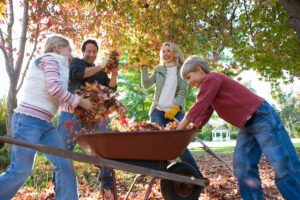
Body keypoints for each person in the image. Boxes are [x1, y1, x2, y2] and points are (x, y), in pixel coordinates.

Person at [177, 55, 300, 200]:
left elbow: (200, 105)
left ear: (199, 70)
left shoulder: (211, 78)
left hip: (261, 117)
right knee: (243, 165)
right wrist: (193, 128)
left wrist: (179, 128)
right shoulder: (209, 88)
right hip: (247, 126)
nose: (189, 83)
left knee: (282, 162)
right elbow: (204, 112)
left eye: (189, 77)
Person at [0, 36, 95, 200]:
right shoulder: (51, 58)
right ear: (58, 48)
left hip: (45, 123)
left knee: (64, 163)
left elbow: (54, 99)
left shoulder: (59, 65)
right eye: (69, 50)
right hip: (28, 120)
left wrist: (78, 108)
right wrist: (79, 101)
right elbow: (53, 88)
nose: (71, 55)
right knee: (21, 170)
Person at [56, 39, 119, 199]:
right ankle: (59, 188)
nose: (91, 54)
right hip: (72, 112)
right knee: (62, 150)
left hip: (94, 114)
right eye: (88, 51)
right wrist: (101, 66)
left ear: (97, 53)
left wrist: (114, 74)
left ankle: (108, 188)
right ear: (83, 52)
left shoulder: (100, 72)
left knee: (105, 149)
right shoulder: (76, 62)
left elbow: (111, 89)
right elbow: (79, 74)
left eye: (94, 52)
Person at [141, 42, 202, 177]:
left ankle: (197, 176)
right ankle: (166, 177)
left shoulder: (182, 70)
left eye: (168, 51)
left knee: (179, 145)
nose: (165, 54)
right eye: (163, 51)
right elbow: (146, 85)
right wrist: (144, 67)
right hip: (158, 111)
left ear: (174, 52)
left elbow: (182, 91)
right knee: (160, 145)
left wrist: (176, 107)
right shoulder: (159, 69)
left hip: (176, 111)